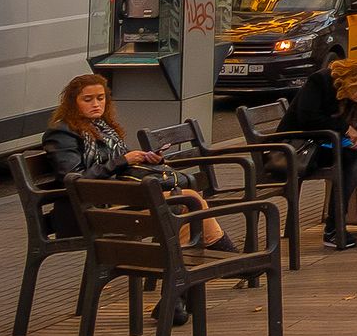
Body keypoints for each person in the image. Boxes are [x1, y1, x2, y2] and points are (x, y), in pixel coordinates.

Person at [39, 72, 231, 247]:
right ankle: (208, 262)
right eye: (87, 100)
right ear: (73, 103)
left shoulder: (104, 128)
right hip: (87, 211)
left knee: (186, 201)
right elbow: (74, 179)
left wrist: (147, 159)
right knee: (186, 201)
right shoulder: (61, 132)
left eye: (101, 98)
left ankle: (189, 266)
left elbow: (124, 166)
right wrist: (123, 160)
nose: (96, 104)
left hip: (117, 199)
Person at [281, 54, 357, 248]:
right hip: (299, 147)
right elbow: (308, 118)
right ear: (352, 80)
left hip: (327, 144)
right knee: (351, 160)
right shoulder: (321, 81)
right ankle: (334, 229)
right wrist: (344, 128)